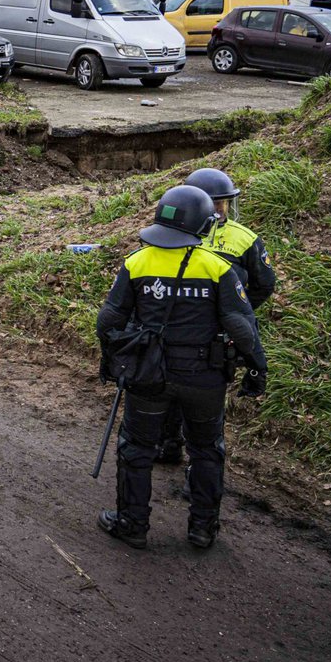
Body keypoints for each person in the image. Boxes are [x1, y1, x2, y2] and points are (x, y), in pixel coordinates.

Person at [95, 185, 267, 551]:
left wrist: (111, 360)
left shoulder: (136, 262)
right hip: (205, 379)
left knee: (137, 448)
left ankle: (132, 524)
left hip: (149, 376)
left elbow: (109, 319)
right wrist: (256, 368)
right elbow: (242, 327)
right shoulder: (218, 268)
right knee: (207, 449)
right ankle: (203, 528)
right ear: (204, 225)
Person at [155, 167, 277, 464]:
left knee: (207, 401)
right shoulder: (174, 234)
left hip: (219, 334)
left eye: (225, 203)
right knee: (166, 388)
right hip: (177, 325)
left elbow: (263, 284)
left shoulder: (245, 239)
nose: (221, 209)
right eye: (215, 203)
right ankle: (168, 444)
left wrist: (231, 311)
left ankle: (199, 469)